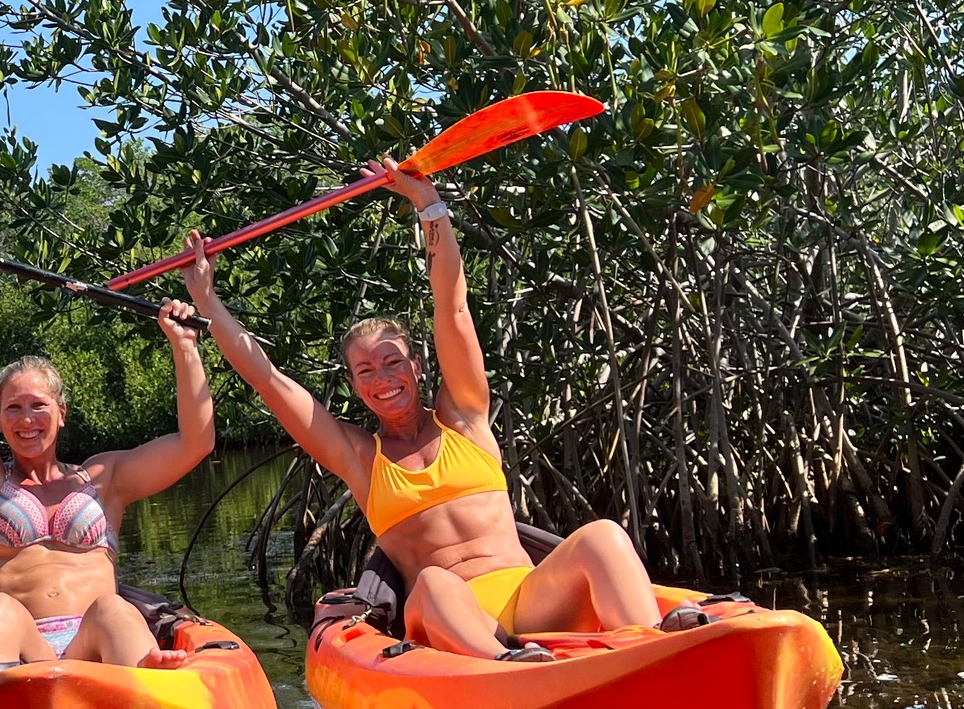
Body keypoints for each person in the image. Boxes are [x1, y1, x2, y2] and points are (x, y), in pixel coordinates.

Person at [179, 164, 702, 662]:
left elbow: (452, 307)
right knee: (433, 580)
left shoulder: (466, 419)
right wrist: (207, 300)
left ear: (418, 365)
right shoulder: (359, 457)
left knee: (604, 534)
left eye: (391, 362)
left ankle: (647, 648)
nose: (382, 379)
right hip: (449, 616)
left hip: (529, 600)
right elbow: (268, 379)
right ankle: (505, 665)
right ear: (356, 387)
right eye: (365, 372)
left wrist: (429, 206)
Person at [0, 228, 215, 683]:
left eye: (38, 406)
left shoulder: (105, 478)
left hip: (94, 645)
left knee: (112, 606)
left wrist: (185, 348)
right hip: (17, 652)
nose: (26, 419)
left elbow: (196, 443)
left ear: (61, 414)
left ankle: (147, 686)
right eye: (14, 407)